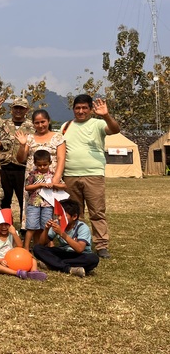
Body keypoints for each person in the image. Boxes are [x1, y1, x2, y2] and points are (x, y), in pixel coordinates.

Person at [61, 95, 120, 259]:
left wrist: (106, 115)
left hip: (93, 174)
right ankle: (73, 242)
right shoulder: (65, 127)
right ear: (73, 109)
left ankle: (101, 245)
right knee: (74, 213)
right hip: (70, 175)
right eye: (77, 108)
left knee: (97, 212)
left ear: (90, 109)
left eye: (84, 108)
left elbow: (115, 130)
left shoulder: (99, 123)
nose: (81, 111)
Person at [15, 109, 66, 233]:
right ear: (33, 124)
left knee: (50, 208)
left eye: (43, 122)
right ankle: (33, 233)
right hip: (33, 180)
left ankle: (50, 236)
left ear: (48, 121)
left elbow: (61, 158)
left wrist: (56, 179)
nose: (40, 125)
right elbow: (21, 159)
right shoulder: (30, 138)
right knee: (33, 206)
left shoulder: (58, 137)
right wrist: (22, 145)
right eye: (37, 123)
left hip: (51, 178)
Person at [33, 199, 100, 277]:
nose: (59, 218)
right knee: (37, 248)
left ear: (74, 216)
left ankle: (53, 264)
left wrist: (62, 233)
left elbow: (80, 249)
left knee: (93, 259)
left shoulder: (82, 227)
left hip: (79, 255)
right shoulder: (58, 224)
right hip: (64, 252)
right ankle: (68, 269)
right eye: (58, 215)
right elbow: (42, 243)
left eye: (63, 216)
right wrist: (46, 229)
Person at [0, 97, 34, 220]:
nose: (18, 110)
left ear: (27, 110)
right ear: (11, 109)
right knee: (4, 199)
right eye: (16, 108)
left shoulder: (32, 126)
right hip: (4, 166)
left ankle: (25, 229)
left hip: (22, 168)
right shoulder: (3, 124)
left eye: (21, 108)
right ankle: (5, 227)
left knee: (24, 199)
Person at [24, 150, 66, 251]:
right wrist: (40, 185)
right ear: (35, 164)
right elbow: (27, 187)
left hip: (48, 205)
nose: (42, 167)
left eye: (45, 165)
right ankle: (26, 247)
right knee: (31, 226)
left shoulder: (53, 175)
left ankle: (45, 246)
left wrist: (54, 184)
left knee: (45, 226)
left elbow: (64, 185)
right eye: (39, 165)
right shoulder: (32, 175)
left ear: (50, 163)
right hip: (34, 204)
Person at [0, 209, 47, 281]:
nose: (4, 227)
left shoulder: (13, 233)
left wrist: (14, 234)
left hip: (15, 258)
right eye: (1, 225)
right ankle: (17, 273)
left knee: (32, 259)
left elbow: (20, 246)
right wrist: (0, 261)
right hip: (2, 260)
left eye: (6, 224)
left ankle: (34, 272)